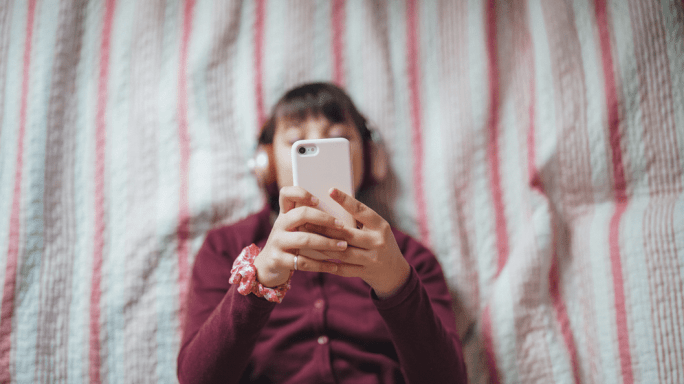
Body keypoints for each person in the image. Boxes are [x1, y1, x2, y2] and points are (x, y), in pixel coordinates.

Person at [177, 82, 467, 383]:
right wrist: (258, 281)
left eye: (338, 140)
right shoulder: (225, 248)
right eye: (297, 144)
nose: (319, 151)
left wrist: (396, 285)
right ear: (266, 164)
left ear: (369, 158)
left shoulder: (409, 258)